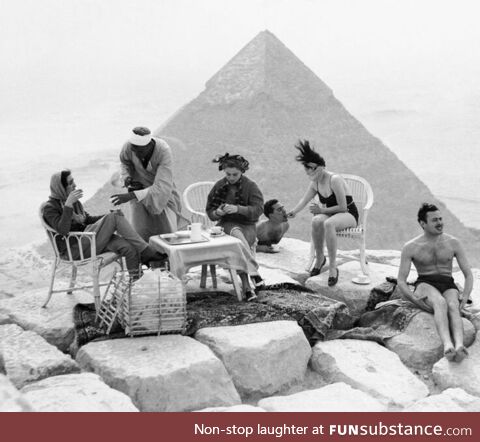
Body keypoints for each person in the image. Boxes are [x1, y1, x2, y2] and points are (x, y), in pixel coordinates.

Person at [42, 170, 167, 280]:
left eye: (73, 181)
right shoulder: (50, 208)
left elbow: (87, 220)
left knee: (129, 248)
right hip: (74, 249)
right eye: (70, 183)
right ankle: (147, 251)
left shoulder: (74, 203)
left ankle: (136, 284)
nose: (74, 185)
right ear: (60, 187)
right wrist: (68, 205)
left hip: (89, 241)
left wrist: (108, 216)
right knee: (114, 218)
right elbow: (63, 230)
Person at [397, 203, 473, 362]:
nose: (440, 223)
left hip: (448, 283)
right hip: (425, 283)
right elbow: (401, 281)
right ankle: (447, 345)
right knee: (440, 303)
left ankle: (459, 345)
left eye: (440, 219)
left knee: (453, 305)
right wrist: (414, 299)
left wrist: (465, 296)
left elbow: (468, 274)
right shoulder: (411, 247)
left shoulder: (453, 243)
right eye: (434, 220)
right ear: (423, 223)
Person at [287, 140, 359, 286]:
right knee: (316, 221)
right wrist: (293, 211)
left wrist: (321, 210)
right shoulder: (316, 182)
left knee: (328, 223)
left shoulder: (335, 180)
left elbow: (343, 207)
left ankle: (333, 267)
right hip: (332, 213)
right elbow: (304, 199)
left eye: (310, 169)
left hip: (348, 214)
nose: (308, 173)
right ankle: (320, 258)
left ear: (319, 168)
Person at [206, 153, 265, 301]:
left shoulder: (251, 186)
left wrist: (238, 209)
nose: (231, 177)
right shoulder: (219, 186)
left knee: (237, 241)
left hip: (247, 226)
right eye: (228, 174)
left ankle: (246, 287)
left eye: (235, 174)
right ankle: (255, 276)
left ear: (242, 172)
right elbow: (210, 212)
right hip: (225, 225)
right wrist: (218, 212)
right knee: (235, 234)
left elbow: (258, 210)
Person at [111, 126, 185, 241]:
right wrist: (127, 177)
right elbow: (124, 163)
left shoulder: (163, 150)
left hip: (161, 196)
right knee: (140, 231)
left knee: (167, 234)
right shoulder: (128, 147)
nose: (136, 153)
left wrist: (131, 196)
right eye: (134, 149)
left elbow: (162, 185)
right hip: (137, 194)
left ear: (149, 145)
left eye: (140, 151)